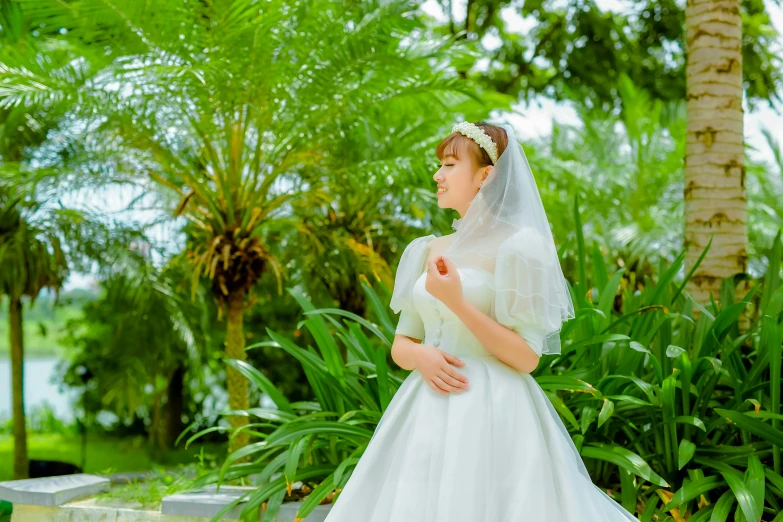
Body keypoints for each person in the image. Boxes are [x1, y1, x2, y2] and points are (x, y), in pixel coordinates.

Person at [323, 121, 639, 521]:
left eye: (450, 165)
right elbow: (402, 344)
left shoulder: (520, 247)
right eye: (439, 165)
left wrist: (458, 302)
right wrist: (421, 358)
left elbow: (526, 357)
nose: (437, 175)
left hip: (493, 411)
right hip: (425, 408)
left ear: (485, 175)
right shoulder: (427, 249)